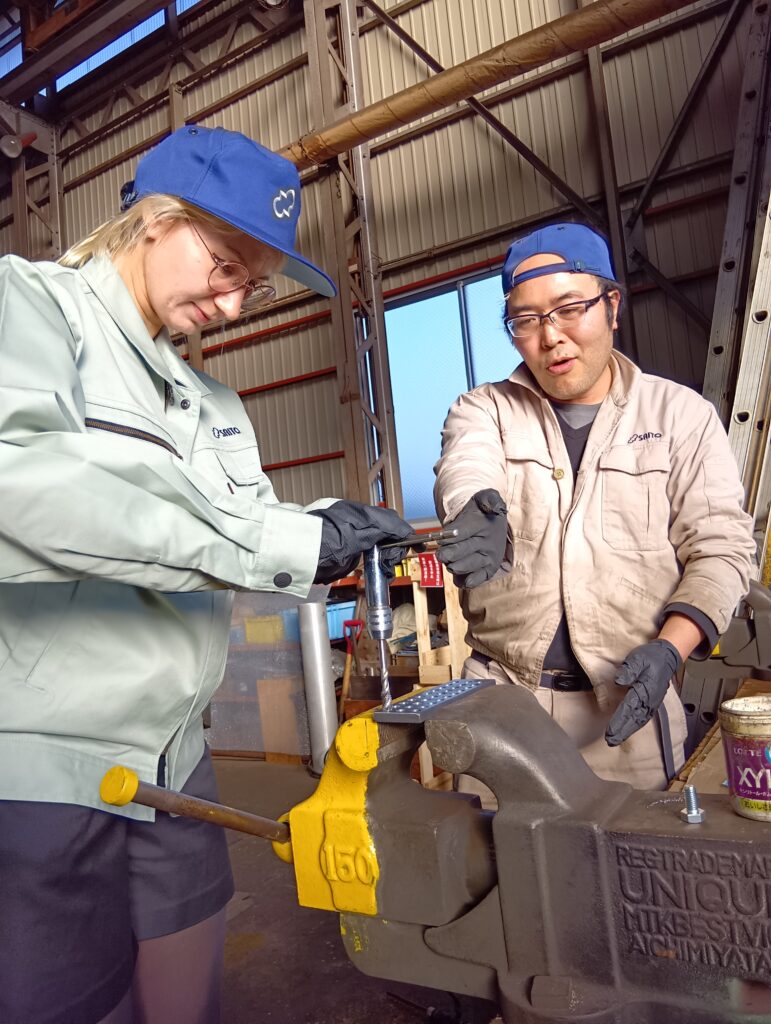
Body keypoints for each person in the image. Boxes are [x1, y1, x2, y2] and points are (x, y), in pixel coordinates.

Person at [0, 125, 413, 1024]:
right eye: (225, 267)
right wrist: (285, 544)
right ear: (155, 220)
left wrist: (347, 529)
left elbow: (241, 525)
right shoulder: (31, 309)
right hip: (47, 766)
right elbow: (24, 487)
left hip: (181, 756)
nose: (232, 306)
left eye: (251, 286)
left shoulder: (211, 401)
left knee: (188, 997)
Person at [434, 221, 755, 802]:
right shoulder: (485, 409)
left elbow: (722, 549)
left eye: (569, 309)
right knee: (489, 855)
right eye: (526, 320)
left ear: (612, 306)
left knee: (629, 856)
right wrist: (476, 509)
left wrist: (671, 648)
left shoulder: (679, 416)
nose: (550, 337)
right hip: (503, 704)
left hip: (629, 708)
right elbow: (466, 466)